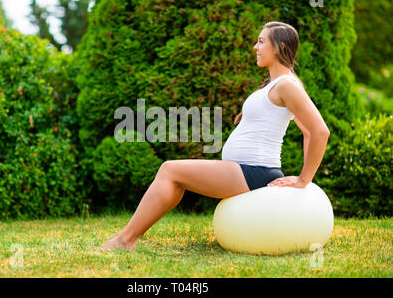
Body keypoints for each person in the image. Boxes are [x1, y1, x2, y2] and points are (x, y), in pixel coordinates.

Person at [99, 21, 330, 251]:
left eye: (261, 41)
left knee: (170, 170)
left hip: (255, 171)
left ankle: (125, 240)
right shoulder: (278, 84)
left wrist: (303, 179)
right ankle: (128, 235)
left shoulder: (287, 85)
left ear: (279, 47)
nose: (255, 47)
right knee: (175, 180)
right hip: (246, 168)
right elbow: (307, 131)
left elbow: (318, 131)